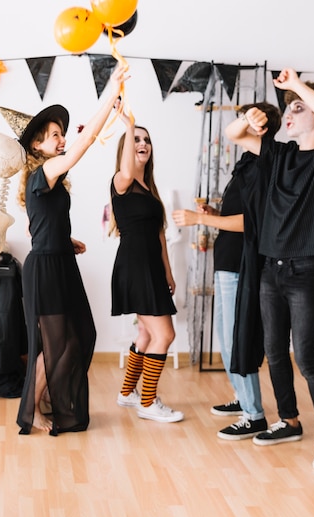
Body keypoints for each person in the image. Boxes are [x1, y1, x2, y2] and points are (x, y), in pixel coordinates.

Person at [225, 69, 314, 470]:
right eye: (288, 109)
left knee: (306, 355)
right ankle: (289, 421)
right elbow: (234, 135)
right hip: (271, 267)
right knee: (274, 352)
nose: (290, 114)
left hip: (308, 271)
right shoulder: (278, 154)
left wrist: (298, 85)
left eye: (298, 109)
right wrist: (249, 119)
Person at [10, 61, 128, 435]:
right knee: (56, 346)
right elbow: (85, 143)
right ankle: (32, 412)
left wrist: (64, 240)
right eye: (54, 136)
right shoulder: (40, 173)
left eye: (62, 135)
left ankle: (45, 405)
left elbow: (37, 226)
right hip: (46, 270)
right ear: (36, 145)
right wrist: (111, 95)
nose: (61, 140)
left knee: (78, 336)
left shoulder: (50, 182)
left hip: (57, 262)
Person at [173, 102, 282, 439]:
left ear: (259, 126)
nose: (237, 126)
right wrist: (214, 209)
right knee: (226, 339)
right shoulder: (247, 160)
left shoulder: (267, 162)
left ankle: (254, 415)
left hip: (242, 263)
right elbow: (240, 209)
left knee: (239, 340)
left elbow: (254, 221)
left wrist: (200, 219)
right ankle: (242, 397)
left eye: (244, 118)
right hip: (227, 261)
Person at [111, 117, 183, 423]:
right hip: (135, 265)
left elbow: (160, 234)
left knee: (145, 332)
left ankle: (128, 394)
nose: (143, 144)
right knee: (164, 334)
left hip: (151, 267)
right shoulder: (121, 180)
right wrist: (129, 126)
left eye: (146, 140)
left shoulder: (149, 189)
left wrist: (168, 272)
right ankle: (148, 402)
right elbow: (127, 169)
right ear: (126, 148)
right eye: (136, 140)